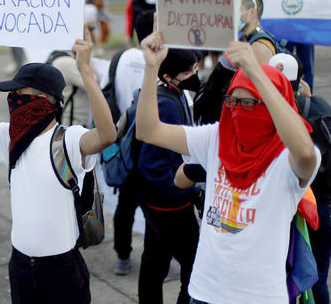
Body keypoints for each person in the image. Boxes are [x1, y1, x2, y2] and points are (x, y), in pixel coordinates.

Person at [136, 30, 320, 303]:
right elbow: (149, 131)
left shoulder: (287, 158)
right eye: (232, 100)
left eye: (249, 103)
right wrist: (151, 67)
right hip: (204, 292)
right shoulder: (218, 138)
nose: (236, 110)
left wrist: (255, 72)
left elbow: (306, 153)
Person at [0, 28, 116, 304]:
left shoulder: (68, 139)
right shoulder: (11, 135)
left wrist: (85, 73)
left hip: (62, 270)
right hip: (20, 266)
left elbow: (107, 135)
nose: (13, 98)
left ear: (43, 99)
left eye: (19, 92)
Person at [137, 48, 201, 304]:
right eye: (187, 72)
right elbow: (152, 165)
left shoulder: (175, 94)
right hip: (168, 203)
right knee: (194, 265)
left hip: (159, 200)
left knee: (155, 259)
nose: (194, 75)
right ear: (167, 75)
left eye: (196, 69)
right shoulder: (167, 104)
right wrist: (189, 189)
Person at [270, 52, 331, 304]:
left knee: (283, 277)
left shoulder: (266, 114)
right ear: (301, 81)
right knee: (316, 276)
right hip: (321, 207)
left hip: (286, 209)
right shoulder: (320, 106)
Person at [105, 9, 153, 276]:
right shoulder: (157, 62)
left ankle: (122, 256)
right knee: (154, 206)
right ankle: (153, 257)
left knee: (125, 204)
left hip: (123, 143)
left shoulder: (119, 58)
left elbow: (107, 94)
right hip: (151, 143)